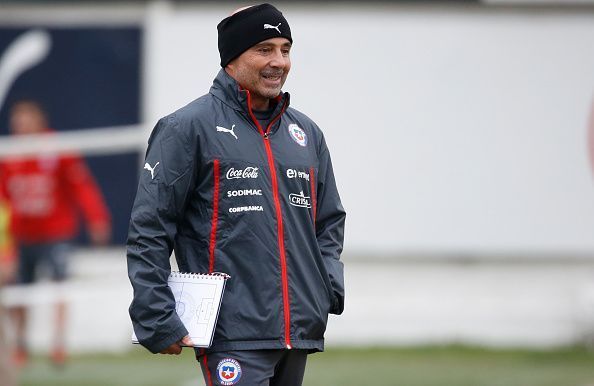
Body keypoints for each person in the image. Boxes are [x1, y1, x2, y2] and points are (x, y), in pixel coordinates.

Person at [127, 3, 346, 385]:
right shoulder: (186, 128)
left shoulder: (307, 134)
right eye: (264, 49)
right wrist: (155, 314)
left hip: (298, 331)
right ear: (231, 58)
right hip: (231, 332)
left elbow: (328, 222)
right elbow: (150, 228)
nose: (279, 61)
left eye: (285, 49)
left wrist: (324, 287)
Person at [0, 100, 111, 367]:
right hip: (22, 235)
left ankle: (58, 344)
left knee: (60, 286)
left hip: (56, 232)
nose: (22, 125)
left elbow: (81, 185)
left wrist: (97, 218)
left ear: (40, 120)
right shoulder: (9, 152)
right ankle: (20, 344)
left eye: (27, 119)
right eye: (18, 120)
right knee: (18, 292)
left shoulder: (58, 148)